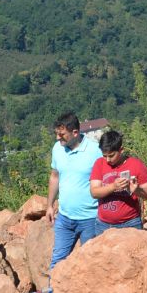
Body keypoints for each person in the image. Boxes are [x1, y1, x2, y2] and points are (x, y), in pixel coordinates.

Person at [46, 113, 104, 270]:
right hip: (64, 217)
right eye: (57, 134)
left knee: (90, 262)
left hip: (90, 218)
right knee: (58, 260)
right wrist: (49, 205)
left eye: (62, 134)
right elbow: (55, 176)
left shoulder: (95, 151)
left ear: (75, 133)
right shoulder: (57, 149)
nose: (58, 138)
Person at [89, 130, 147, 233]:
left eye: (111, 155)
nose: (107, 160)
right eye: (104, 156)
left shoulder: (136, 164)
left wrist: (136, 190)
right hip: (103, 225)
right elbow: (94, 192)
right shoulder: (99, 164)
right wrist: (113, 187)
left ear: (121, 150)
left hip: (130, 223)